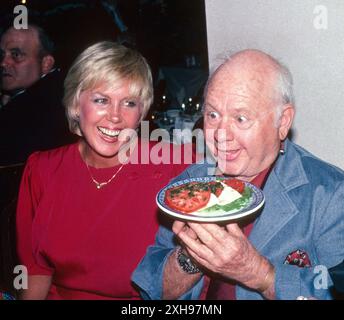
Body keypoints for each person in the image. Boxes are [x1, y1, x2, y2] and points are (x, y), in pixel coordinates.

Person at [132, 49, 344, 300]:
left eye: (240, 118)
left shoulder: (331, 195)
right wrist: (192, 257)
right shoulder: (189, 186)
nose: (221, 134)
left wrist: (259, 273)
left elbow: (334, 291)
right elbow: (153, 292)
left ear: (283, 121)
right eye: (212, 115)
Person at [15, 41, 190, 300]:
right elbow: (35, 270)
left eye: (129, 103)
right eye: (101, 100)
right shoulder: (42, 169)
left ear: (142, 112)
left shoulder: (175, 166)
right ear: (76, 104)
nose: (115, 116)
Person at [0, 24, 74, 166]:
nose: (3, 63)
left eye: (16, 55)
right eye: (2, 55)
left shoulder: (41, 108)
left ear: (46, 63)